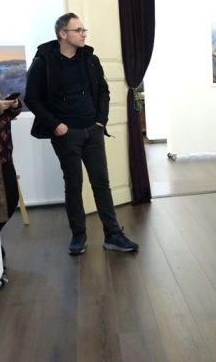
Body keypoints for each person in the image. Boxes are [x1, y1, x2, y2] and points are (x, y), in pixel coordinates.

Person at [25, 13, 139, 255]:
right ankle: (78, 235)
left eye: (83, 30)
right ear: (63, 34)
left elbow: (104, 91)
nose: (83, 34)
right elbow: (32, 98)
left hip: (92, 131)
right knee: (73, 184)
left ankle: (113, 235)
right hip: (65, 134)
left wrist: (100, 121)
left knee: (102, 184)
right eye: (78, 30)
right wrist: (55, 124)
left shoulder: (90, 59)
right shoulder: (44, 61)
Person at [0, 80, 22, 286]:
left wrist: (12, 106)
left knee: (10, 200)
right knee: (3, 203)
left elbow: (0, 115)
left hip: (4, 155)